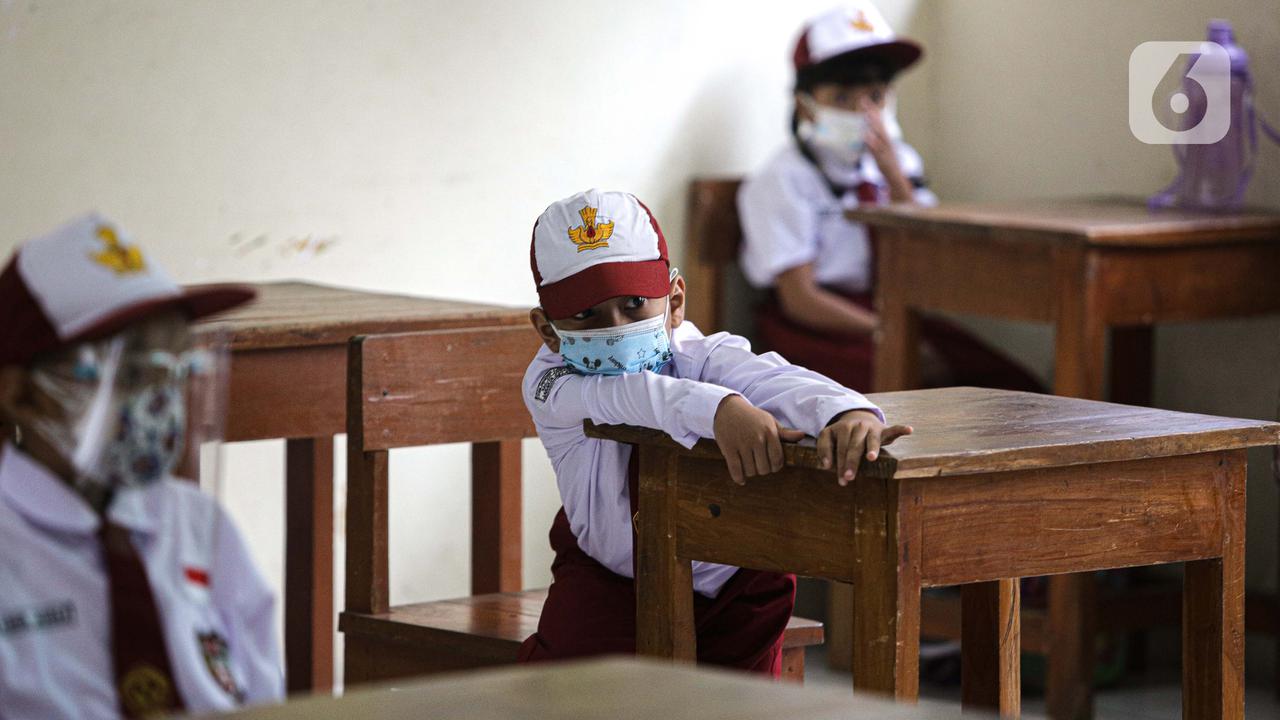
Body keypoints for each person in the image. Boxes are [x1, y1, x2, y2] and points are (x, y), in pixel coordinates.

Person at [517, 189, 912, 675]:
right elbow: (629, 396)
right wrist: (719, 408)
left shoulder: (697, 355)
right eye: (585, 316)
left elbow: (767, 376)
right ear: (548, 330)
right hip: (609, 579)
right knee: (564, 694)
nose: (615, 329)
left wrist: (844, 412)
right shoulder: (550, 380)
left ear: (676, 301)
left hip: (735, 581)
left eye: (635, 303)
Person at [0, 214, 283, 718]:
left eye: (177, 371)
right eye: (128, 375)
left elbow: (265, 699)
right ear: (21, 394)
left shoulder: (197, 524)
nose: (158, 403)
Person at [738, 2, 1041, 392]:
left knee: (1011, 386)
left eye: (876, 96)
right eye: (844, 98)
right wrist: (891, 331)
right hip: (820, 325)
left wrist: (894, 176)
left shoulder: (900, 165)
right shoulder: (783, 179)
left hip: (894, 314)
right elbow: (801, 298)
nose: (864, 113)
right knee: (913, 385)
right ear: (805, 104)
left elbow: (930, 256)